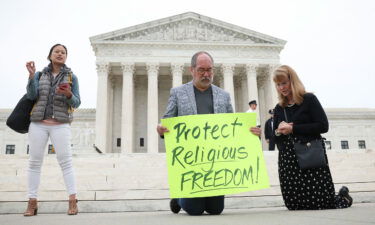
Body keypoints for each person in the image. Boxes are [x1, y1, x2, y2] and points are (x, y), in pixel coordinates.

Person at [156, 51, 260, 215]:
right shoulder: (178, 93)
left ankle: (190, 198)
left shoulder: (223, 96)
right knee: (195, 210)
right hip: (191, 161)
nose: (206, 74)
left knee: (216, 209)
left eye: (209, 70)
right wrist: (161, 130)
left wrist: (251, 133)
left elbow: (233, 127)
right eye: (201, 70)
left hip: (215, 160)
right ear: (192, 70)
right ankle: (178, 198)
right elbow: (168, 120)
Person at [272, 65, 352, 210]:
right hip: (289, 160)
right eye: (278, 84)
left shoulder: (308, 99)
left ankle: (343, 197)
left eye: (284, 83)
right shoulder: (279, 108)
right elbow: (275, 137)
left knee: (321, 203)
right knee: (294, 205)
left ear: (292, 81)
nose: (281, 87)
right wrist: (279, 131)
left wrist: (293, 128)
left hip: (309, 154)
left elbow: (323, 126)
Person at [24, 44, 80, 216]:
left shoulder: (72, 77)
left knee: (66, 163)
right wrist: (31, 77)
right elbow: (31, 96)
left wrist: (69, 94)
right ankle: (32, 202)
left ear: (66, 57)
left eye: (63, 52)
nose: (60, 54)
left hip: (61, 124)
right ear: (50, 55)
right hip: (38, 123)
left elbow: (77, 102)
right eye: (57, 52)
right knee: (34, 163)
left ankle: (72, 201)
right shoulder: (40, 75)